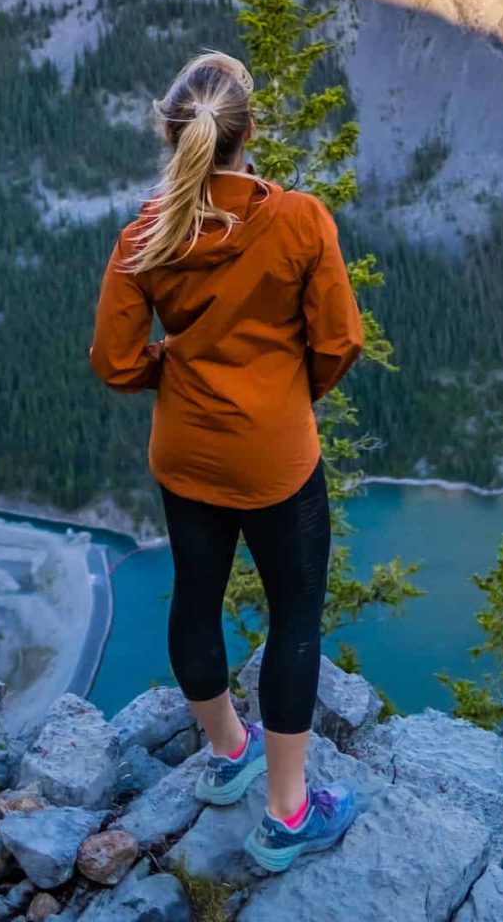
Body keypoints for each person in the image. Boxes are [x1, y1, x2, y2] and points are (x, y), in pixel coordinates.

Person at [90, 48, 365, 874]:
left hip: (188, 455)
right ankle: (288, 812)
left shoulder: (146, 233)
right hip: (277, 458)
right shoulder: (298, 219)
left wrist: (165, 368)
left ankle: (225, 753)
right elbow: (340, 340)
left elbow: (114, 360)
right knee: (293, 621)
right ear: (249, 135)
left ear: (172, 137)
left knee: (195, 602)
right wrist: (291, 394)